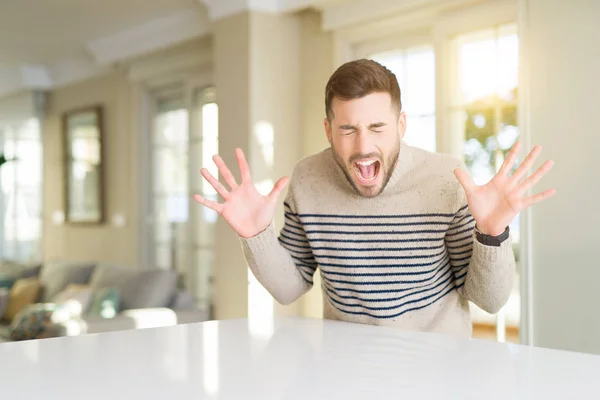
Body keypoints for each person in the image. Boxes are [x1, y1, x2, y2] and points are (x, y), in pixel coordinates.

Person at [194, 59, 555, 337]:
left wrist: (492, 233)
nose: (363, 147)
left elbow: (489, 301)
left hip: (437, 372)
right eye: (347, 130)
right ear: (328, 130)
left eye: (377, 128)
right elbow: (290, 289)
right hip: (345, 369)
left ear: (401, 125)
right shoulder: (308, 180)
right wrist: (256, 235)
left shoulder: (446, 179)